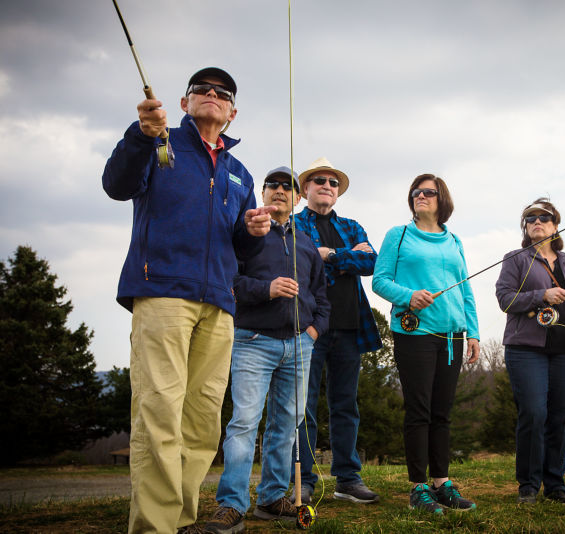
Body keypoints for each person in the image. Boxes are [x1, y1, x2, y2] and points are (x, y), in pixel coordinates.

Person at [102, 67, 274, 534]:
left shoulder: (240, 173)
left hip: (220, 302)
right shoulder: (159, 145)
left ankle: (180, 520)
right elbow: (116, 185)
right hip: (161, 293)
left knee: (200, 422)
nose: (213, 96)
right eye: (203, 90)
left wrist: (254, 232)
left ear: (233, 113)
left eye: (223, 94)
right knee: (160, 410)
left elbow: (242, 247)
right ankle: (154, 527)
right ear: (184, 103)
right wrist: (141, 135)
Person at [205, 167, 330, 533]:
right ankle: (231, 505)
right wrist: (267, 289)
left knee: (286, 425)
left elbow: (321, 296)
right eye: (272, 185)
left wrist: (312, 332)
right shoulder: (245, 236)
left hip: (299, 345)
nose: (279, 190)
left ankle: (273, 498)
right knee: (244, 422)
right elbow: (228, 280)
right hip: (253, 341)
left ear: (298, 197)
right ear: (262, 193)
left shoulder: (305, 243)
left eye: (287, 186)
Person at [372, 174, 480, 514]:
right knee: (419, 412)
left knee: (441, 413)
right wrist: (409, 296)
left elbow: (465, 288)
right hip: (414, 333)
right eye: (416, 192)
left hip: (452, 337)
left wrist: (472, 331)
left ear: (441, 199)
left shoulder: (454, 241)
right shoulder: (398, 236)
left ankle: (441, 483)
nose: (421, 196)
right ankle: (418, 489)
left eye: (429, 192)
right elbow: (379, 281)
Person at [494, 198, 565, 506]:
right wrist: (542, 294)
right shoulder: (515, 259)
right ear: (525, 228)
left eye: (545, 217)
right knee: (533, 412)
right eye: (530, 218)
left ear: (555, 226)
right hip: (526, 349)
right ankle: (528, 485)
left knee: (560, 416)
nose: (537, 221)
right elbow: (505, 299)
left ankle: (555, 485)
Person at [291, 157, 382, 505]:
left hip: (348, 326)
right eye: (319, 181)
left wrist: (328, 255)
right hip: (307, 326)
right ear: (306, 189)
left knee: (346, 405)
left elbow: (371, 262)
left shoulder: (353, 226)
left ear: (338, 192)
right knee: (304, 406)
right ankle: (305, 480)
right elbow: (298, 262)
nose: (326, 186)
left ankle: (347, 478)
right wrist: (346, 258)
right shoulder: (294, 225)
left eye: (332, 182)